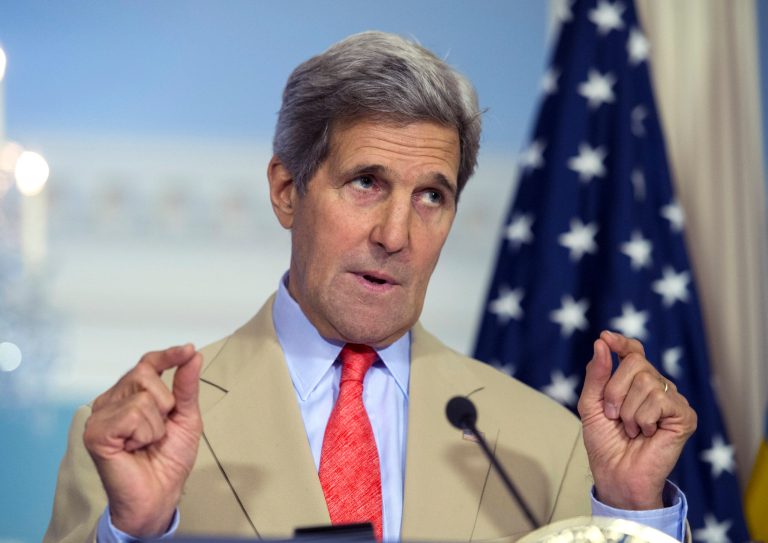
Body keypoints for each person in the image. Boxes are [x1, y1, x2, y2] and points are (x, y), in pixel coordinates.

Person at [44, 31, 697, 543]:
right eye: (366, 183)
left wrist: (633, 511)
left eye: (431, 195)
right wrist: (135, 532)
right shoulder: (133, 438)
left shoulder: (550, 446)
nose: (395, 234)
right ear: (285, 191)